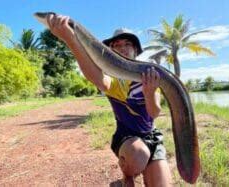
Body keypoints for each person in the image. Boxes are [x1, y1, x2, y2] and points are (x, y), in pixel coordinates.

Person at [46, 14, 172, 186]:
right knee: (138, 154)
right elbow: (97, 78)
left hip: (152, 137)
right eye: (117, 45)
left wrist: (149, 93)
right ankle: (127, 176)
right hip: (127, 138)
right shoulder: (113, 80)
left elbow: (155, 113)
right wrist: (70, 39)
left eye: (128, 44)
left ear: (135, 50)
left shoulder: (149, 75)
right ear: (111, 52)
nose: (123, 48)